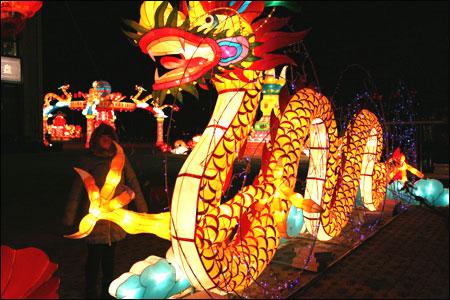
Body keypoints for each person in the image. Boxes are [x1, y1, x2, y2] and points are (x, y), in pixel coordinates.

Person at [62, 123, 148, 299]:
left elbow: (133, 182)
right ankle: (90, 291)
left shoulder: (121, 160)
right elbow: (77, 190)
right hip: (95, 217)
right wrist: (70, 216)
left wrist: (142, 208)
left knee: (110, 259)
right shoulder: (88, 160)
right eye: (103, 137)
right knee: (93, 258)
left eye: (109, 137)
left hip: (116, 218)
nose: (106, 140)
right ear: (96, 139)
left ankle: (107, 291)